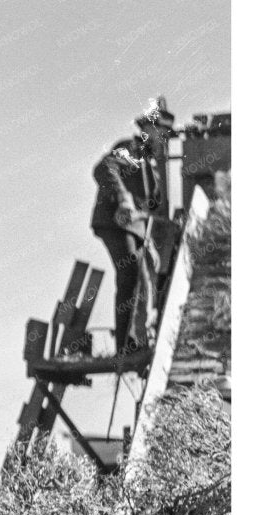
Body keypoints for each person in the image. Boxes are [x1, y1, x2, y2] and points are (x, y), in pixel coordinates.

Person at [90, 96, 177, 355]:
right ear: (148, 130)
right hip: (116, 224)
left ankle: (136, 339)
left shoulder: (155, 168)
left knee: (140, 276)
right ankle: (126, 344)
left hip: (136, 229)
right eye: (160, 131)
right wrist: (123, 200)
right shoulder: (131, 150)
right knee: (131, 272)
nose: (163, 137)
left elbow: (156, 208)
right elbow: (104, 168)